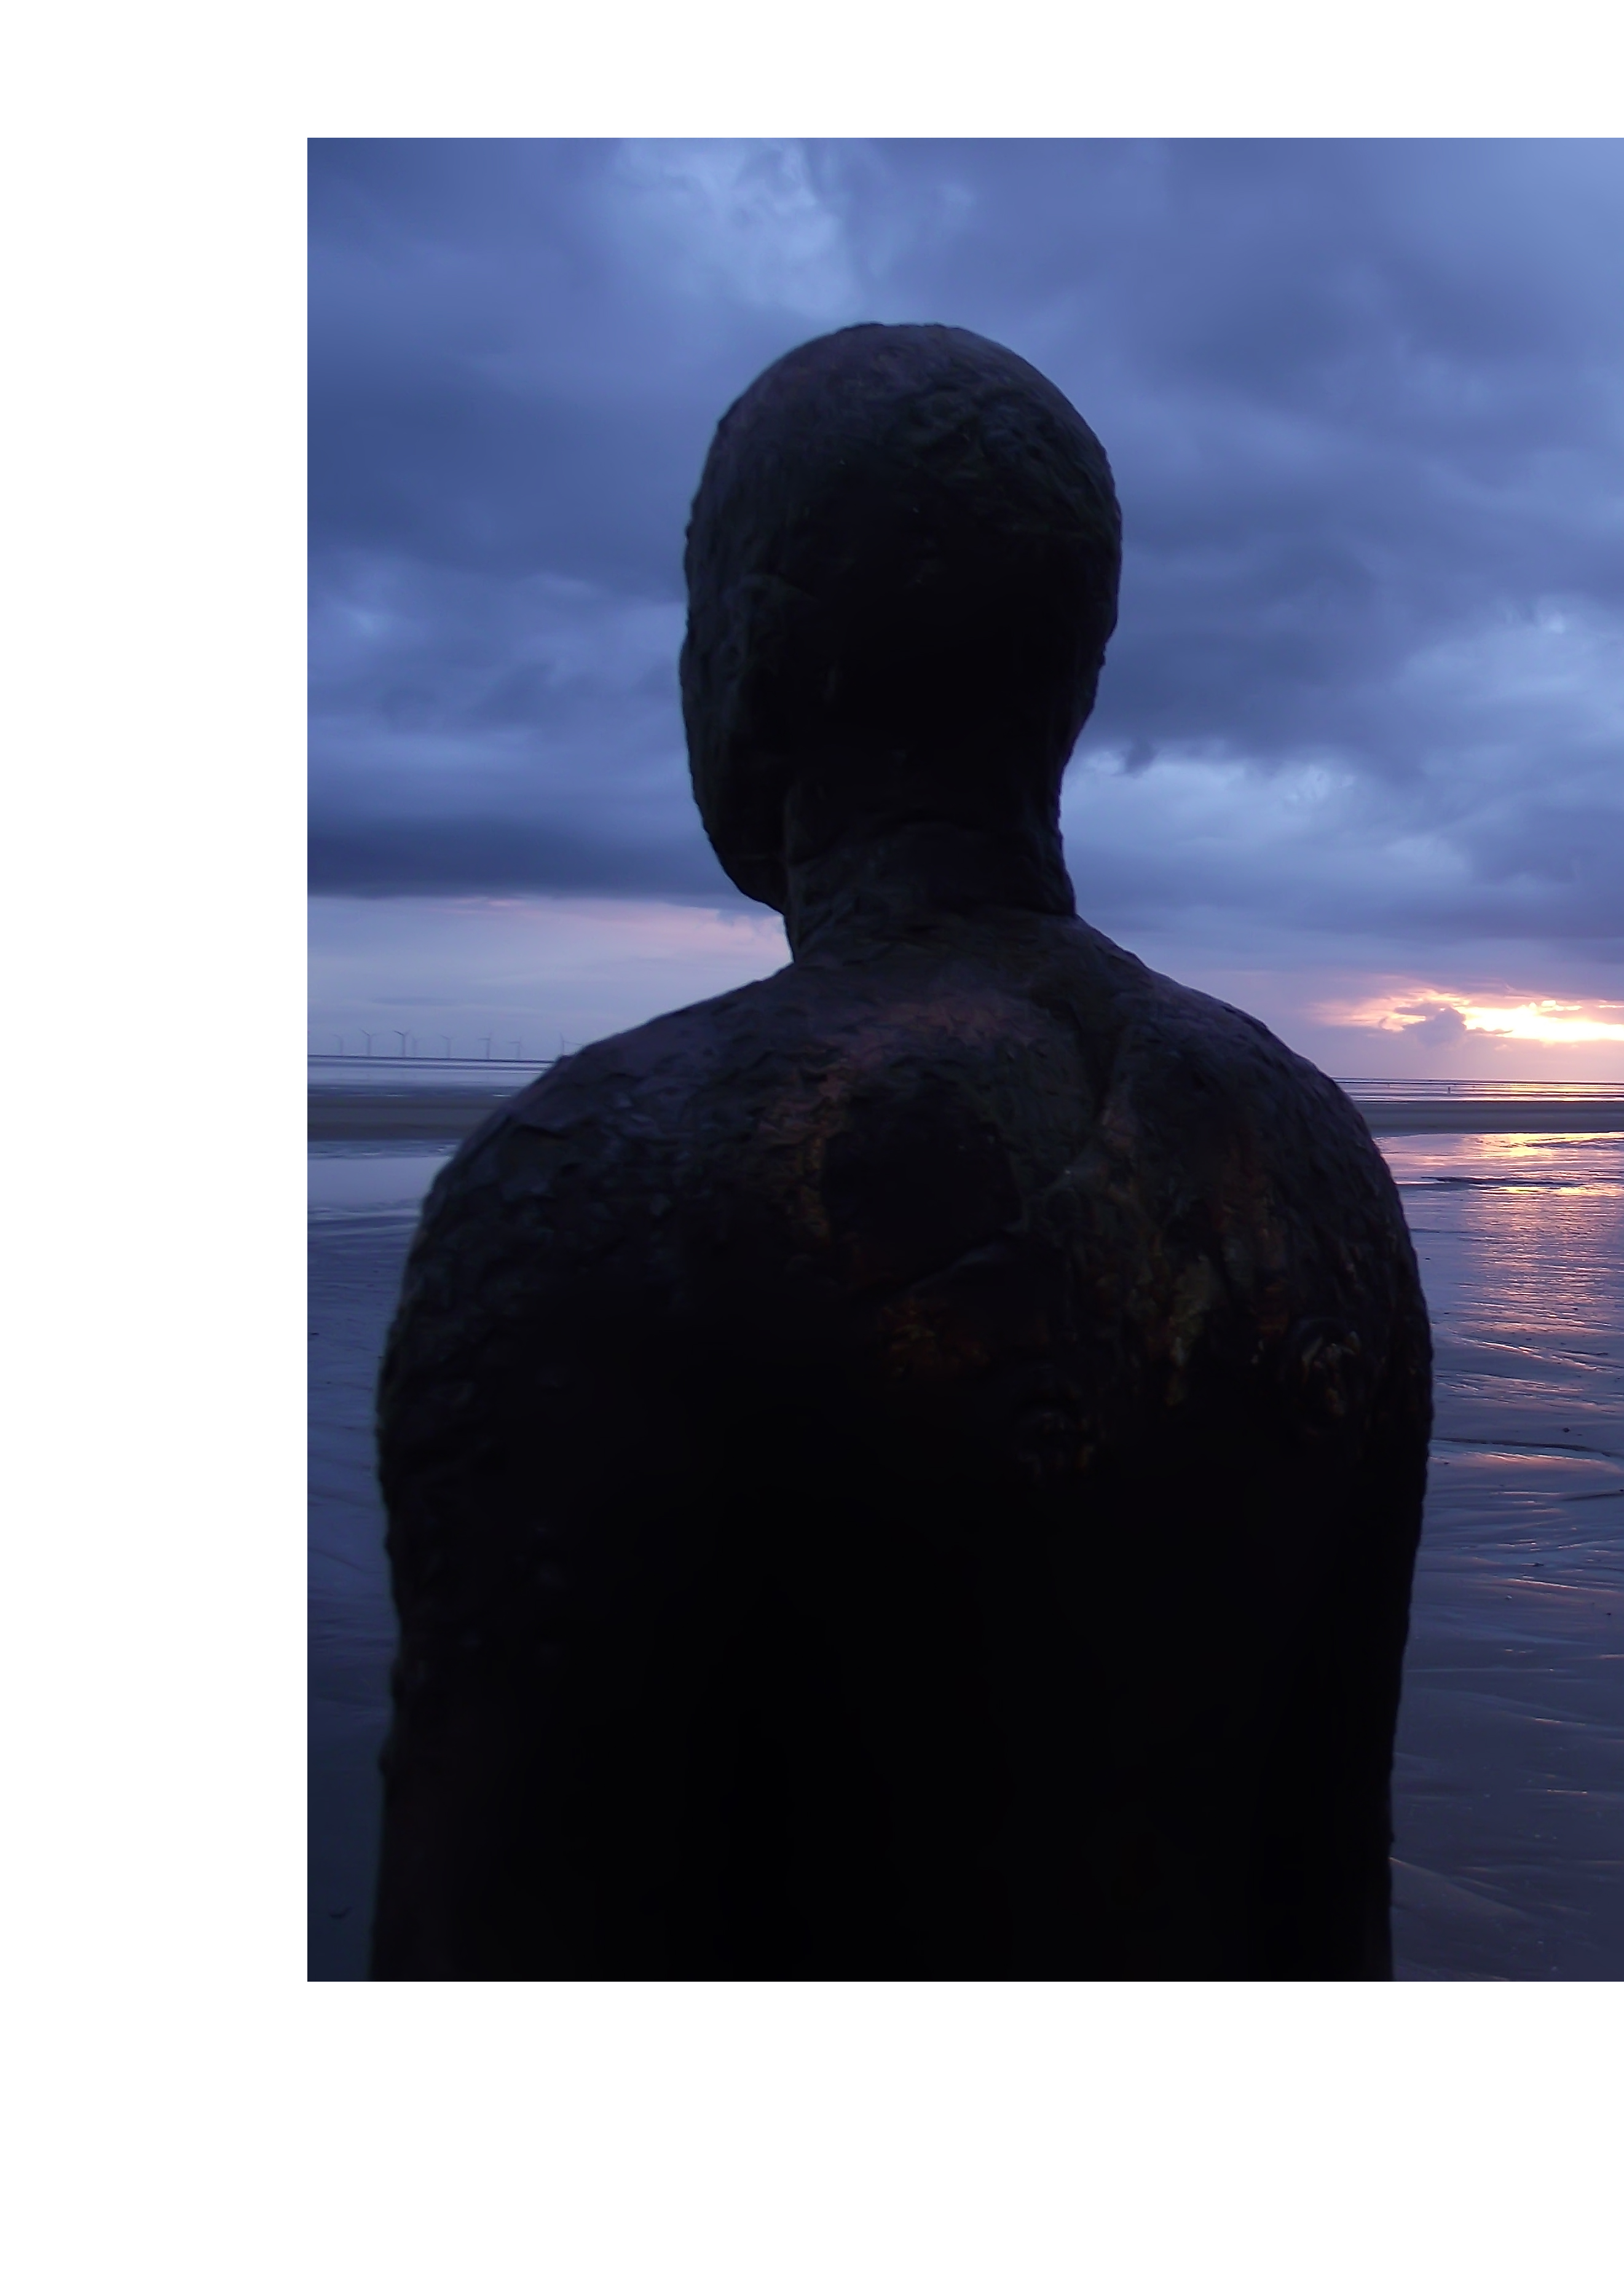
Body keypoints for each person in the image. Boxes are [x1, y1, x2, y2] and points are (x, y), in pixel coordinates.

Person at [369, 324, 1433, 1979]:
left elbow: (493, 1922)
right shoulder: (1309, 1158)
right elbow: (1326, 1879)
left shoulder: (596, 1187)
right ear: (1071, 677)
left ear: (760, 653)